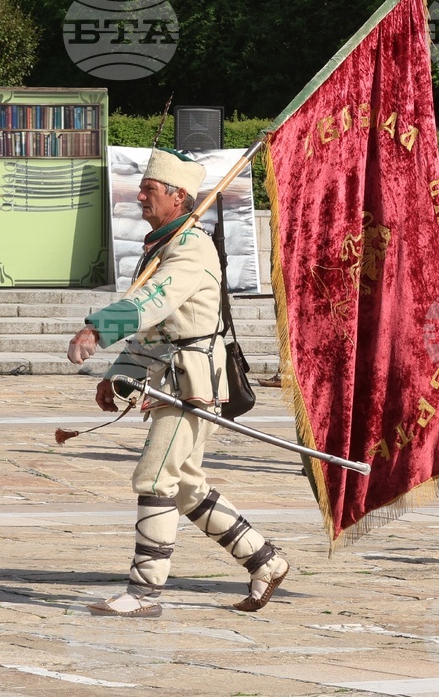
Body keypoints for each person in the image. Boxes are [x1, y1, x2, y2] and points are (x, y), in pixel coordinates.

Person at [67, 148, 289, 617]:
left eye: (149, 190)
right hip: (173, 379)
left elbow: (154, 300)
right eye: (141, 189)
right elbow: (157, 329)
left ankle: (143, 593)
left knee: (155, 477)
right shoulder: (165, 245)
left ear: (178, 196)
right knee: (186, 486)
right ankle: (265, 561)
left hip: (191, 385)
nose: (140, 197)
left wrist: (98, 329)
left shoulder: (191, 248)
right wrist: (120, 374)